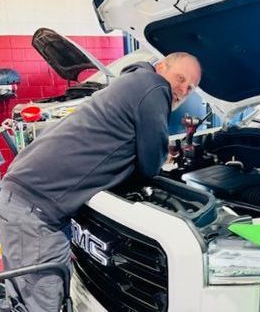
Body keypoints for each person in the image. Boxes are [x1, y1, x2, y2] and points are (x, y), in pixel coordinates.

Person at [0, 52, 201, 311]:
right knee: (41, 302)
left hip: (21, 197)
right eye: (180, 78)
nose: (183, 89)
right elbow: (152, 163)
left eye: (191, 87)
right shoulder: (154, 86)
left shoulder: (130, 82)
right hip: (36, 211)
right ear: (160, 67)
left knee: (23, 296)